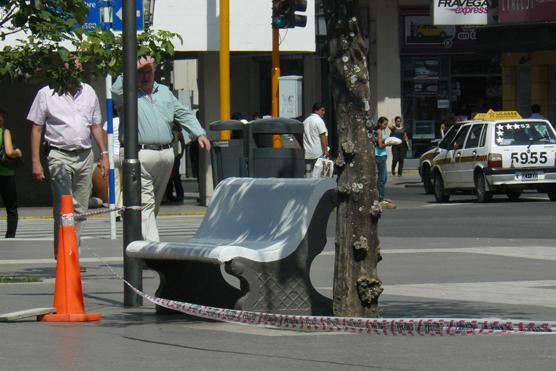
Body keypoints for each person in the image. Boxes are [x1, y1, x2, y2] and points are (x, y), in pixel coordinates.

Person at [111, 56, 210, 241]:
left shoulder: (164, 91)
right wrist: (131, 66)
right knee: (146, 203)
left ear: (155, 72)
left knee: (152, 205)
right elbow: (115, 89)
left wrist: (199, 133)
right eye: (140, 72)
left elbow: (183, 113)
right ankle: (152, 248)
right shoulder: (128, 93)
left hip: (165, 154)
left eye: (149, 72)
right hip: (139, 154)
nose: (145, 76)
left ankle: (138, 241)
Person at [28, 70, 109, 257]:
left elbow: (95, 126)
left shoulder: (88, 91)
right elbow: (37, 128)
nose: (75, 69)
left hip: (84, 154)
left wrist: (104, 154)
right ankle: (64, 253)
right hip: (58, 154)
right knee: (65, 204)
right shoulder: (46, 93)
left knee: (80, 208)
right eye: (70, 64)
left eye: (78, 65)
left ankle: (71, 251)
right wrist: (36, 162)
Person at [0, 106, 22, 238]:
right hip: (6, 174)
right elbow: (9, 152)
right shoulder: (4, 132)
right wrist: (18, 152)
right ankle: (10, 236)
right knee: (11, 208)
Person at [303, 103, 329, 174]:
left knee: (308, 174)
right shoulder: (319, 121)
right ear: (316, 111)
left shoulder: (305, 121)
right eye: (322, 110)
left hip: (307, 154)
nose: (324, 112)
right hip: (318, 154)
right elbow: (323, 136)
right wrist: (326, 150)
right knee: (320, 176)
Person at [165, 123, 186, 203]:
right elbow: (183, 142)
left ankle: (178, 195)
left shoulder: (177, 131)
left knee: (175, 177)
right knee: (171, 177)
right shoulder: (173, 131)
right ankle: (171, 195)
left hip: (174, 156)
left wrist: (182, 153)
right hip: (170, 156)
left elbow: (183, 142)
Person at [375, 116, 392, 201]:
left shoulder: (383, 131)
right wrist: (388, 144)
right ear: (380, 124)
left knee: (384, 178)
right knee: (382, 178)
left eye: (386, 124)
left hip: (383, 155)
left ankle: (380, 194)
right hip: (379, 156)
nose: (386, 126)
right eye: (384, 124)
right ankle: (380, 196)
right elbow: (380, 145)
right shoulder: (379, 132)